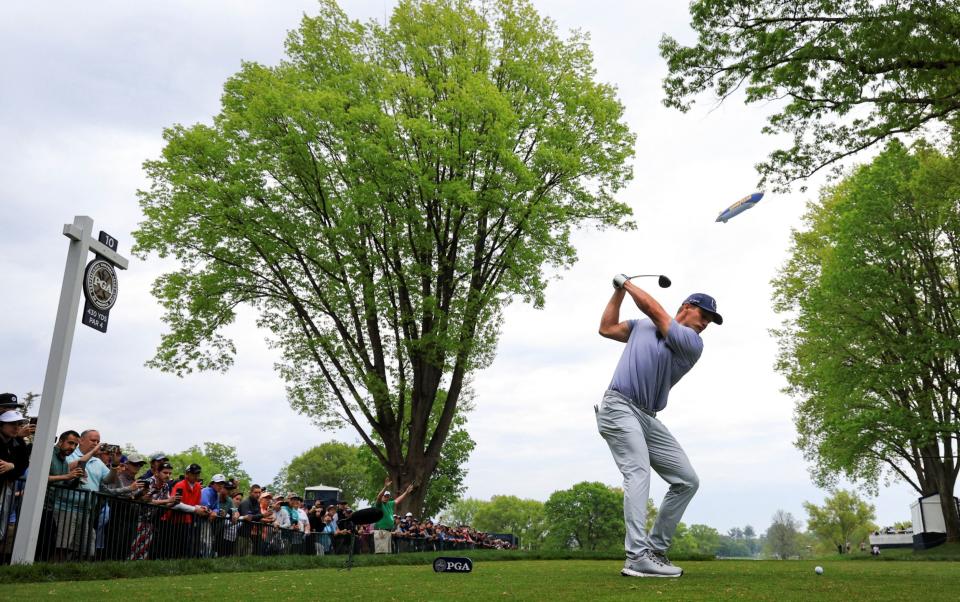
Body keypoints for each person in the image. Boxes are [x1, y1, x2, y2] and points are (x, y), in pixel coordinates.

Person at [597, 276, 721, 578]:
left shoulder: (692, 342)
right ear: (687, 307)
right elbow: (607, 328)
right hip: (618, 407)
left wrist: (626, 283)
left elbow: (654, 309)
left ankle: (654, 549)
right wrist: (617, 294)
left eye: (709, 321)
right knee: (637, 472)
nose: (705, 324)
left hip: (647, 417)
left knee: (687, 480)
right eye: (703, 316)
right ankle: (637, 556)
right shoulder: (640, 326)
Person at [372, 477, 415, 554]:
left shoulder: (389, 504)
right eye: (385, 496)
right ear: (382, 496)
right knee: (381, 551)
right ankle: (378, 564)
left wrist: (406, 492)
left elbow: (398, 500)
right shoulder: (379, 504)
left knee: (386, 552)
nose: (386, 498)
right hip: (381, 530)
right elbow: (378, 497)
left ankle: (384, 564)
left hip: (388, 531)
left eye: (388, 496)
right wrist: (385, 487)